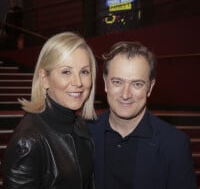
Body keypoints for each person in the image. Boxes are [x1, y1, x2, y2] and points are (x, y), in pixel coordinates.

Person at [88, 41, 197, 189]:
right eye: (117, 82)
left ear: (150, 88)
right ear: (106, 83)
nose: (125, 94)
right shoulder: (84, 132)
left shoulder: (174, 144)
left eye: (137, 84)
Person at [1, 31, 97, 189]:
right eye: (66, 72)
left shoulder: (79, 124)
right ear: (44, 79)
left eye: (84, 72)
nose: (78, 82)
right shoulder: (28, 142)